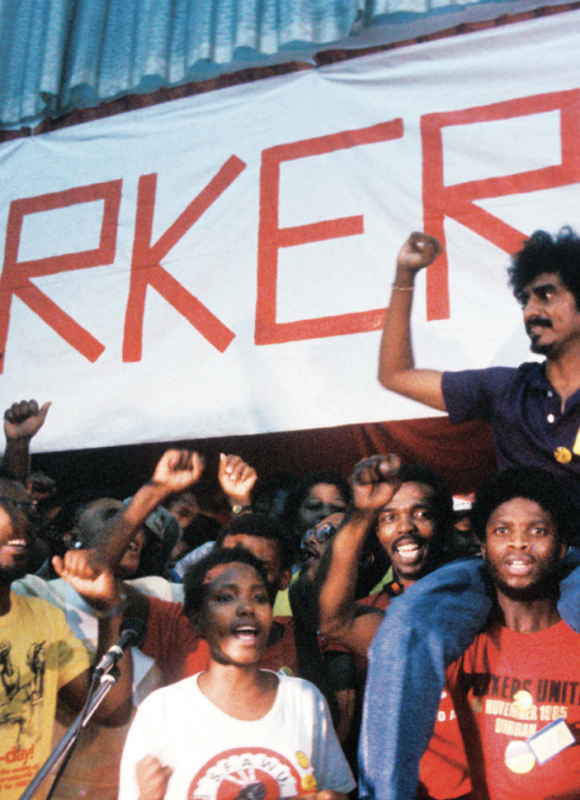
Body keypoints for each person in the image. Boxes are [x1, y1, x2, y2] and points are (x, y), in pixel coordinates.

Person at [118, 547, 355, 800]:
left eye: (259, 598)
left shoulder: (303, 698)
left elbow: (337, 792)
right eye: (225, 597)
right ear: (197, 620)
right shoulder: (161, 710)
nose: (246, 608)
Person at [378, 228, 580, 500]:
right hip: (525, 542)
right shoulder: (505, 388)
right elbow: (395, 375)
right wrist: (405, 275)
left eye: (545, 295)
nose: (530, 311)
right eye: (525, 299)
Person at [318, 455, 469, 799]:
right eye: (389, 517)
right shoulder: (375, 611)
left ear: (444, 524)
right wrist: (362, 512)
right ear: (377, 531)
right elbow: (333, 620)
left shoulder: (477, 600)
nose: (405, 527)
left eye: (421, 513)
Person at [446, 467, 580, 798]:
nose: (518, 542)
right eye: (502, 530)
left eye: (537, 530)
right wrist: (362, 515)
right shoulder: (460, 640)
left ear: (562, 547)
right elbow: (338, 622)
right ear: (483, 546)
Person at [0, 475, 133, 800]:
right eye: (11, 508)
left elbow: (109, 709)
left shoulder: (44, 617)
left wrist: (109, 607)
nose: (25, 523)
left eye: (31, 513)